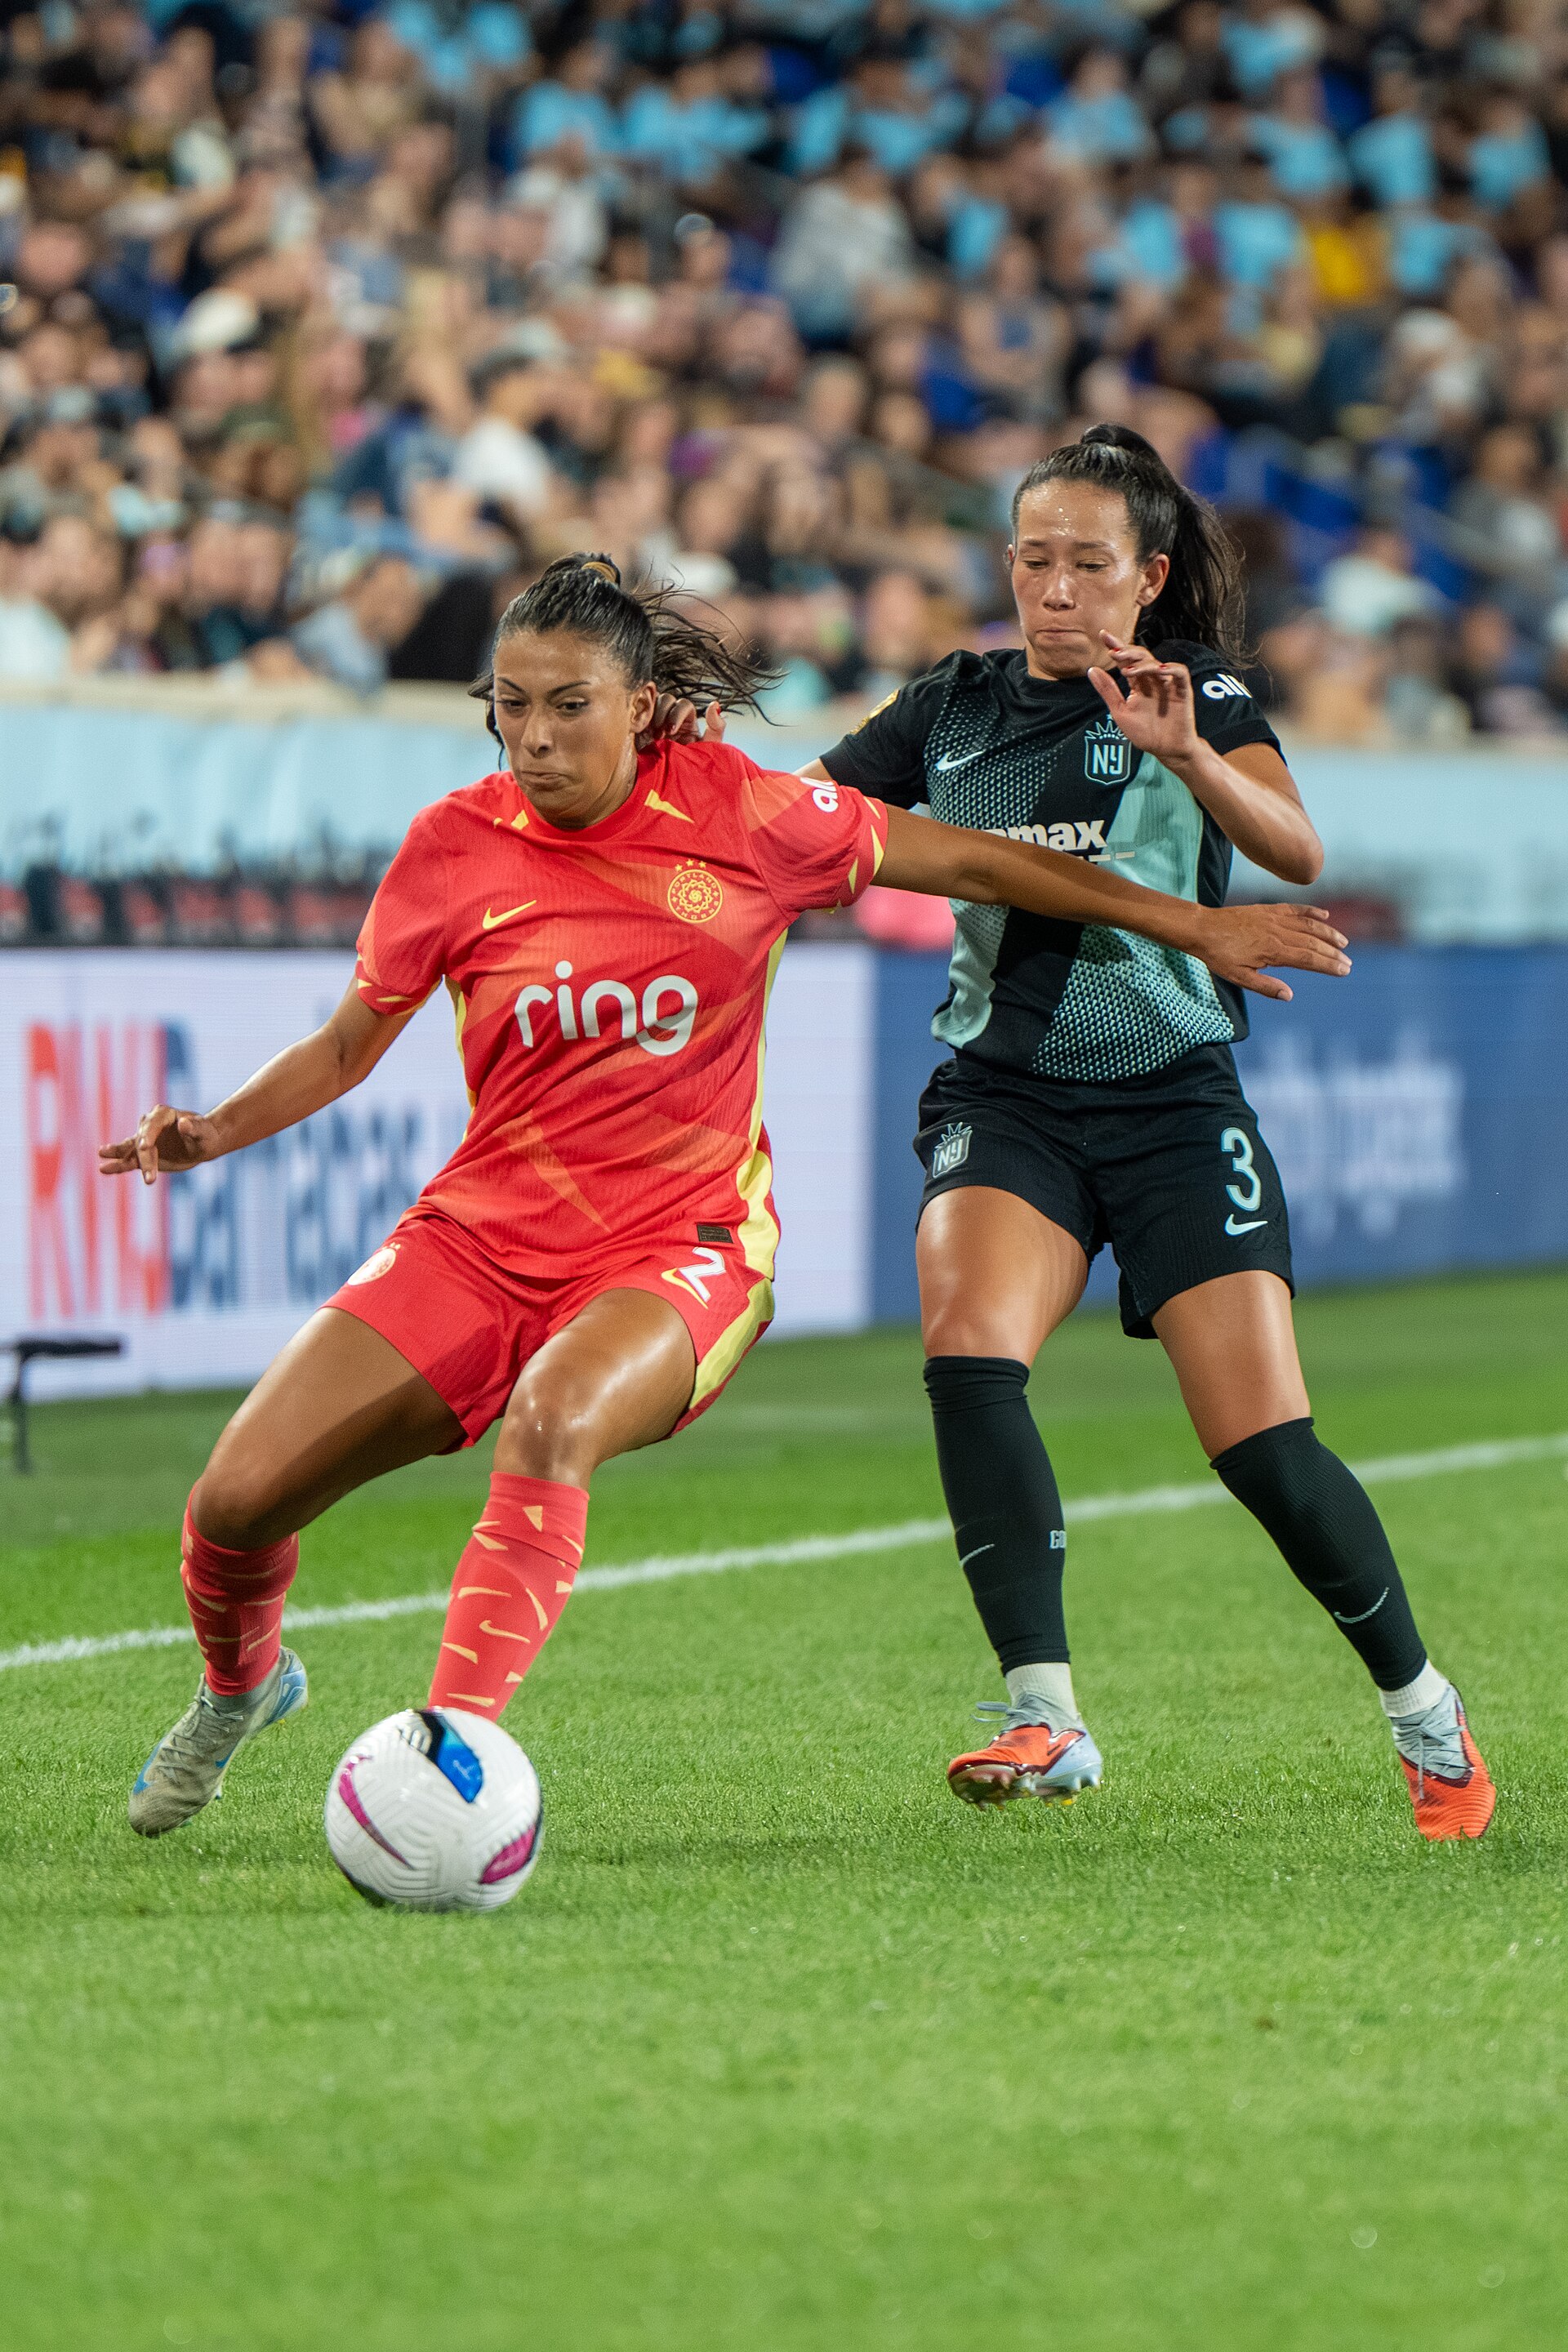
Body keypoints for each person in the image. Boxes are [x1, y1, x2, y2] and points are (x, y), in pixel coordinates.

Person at [100, 551, 1347, 1843]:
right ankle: (243, 1690)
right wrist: (211, 1131)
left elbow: (976, 867)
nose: (533, 736)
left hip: (681, 1246)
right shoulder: (451, 845)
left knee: (553, 1419)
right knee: (233, 1508)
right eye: (510, 705)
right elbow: (351, 1042)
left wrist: (1195, 926)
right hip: (477, 1242)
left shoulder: (747, 815)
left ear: (643, 703)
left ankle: (450, 1764)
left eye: (567, 703)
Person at [662, 428, 1494, 1842]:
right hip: (1005, 1097)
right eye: (1033, 558)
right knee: (968, 1356)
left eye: (1088, 564)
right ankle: (1041, 1711)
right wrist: (679, 758)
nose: (1055, 588)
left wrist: (1190, 756)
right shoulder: (956, 702)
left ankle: (1425, 1711)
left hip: (1174, 1098)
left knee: (1264, 1450)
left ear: (1148, 576)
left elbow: (1292, 849)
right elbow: (805, 816)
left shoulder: (1200, 691)